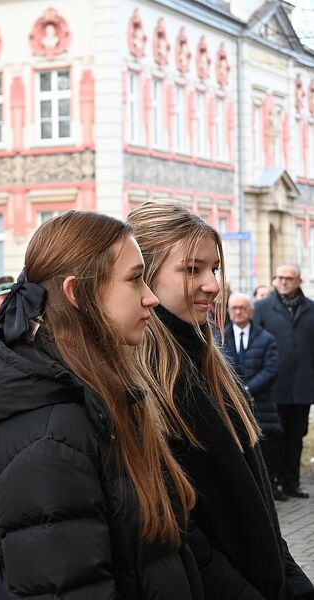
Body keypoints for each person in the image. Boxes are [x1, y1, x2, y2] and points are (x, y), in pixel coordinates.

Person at [0, 211, 202, 599]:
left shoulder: (95, 399)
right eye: (135, 279)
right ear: (76, 293)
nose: (151, 298)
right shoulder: (49, 439)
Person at [128, 200, 313, 600]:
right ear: (143, 277)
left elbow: (260, 514)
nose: (213, 284)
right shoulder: (139, 387)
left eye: (213, 269)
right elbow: (184, 540)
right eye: (192, 269)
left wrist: (292, 583)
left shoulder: (208, 365)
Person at [253, 264, 314, 500]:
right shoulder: (262, 308)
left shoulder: (310, 309)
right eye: (280, 278)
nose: (284, 282)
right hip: (272, 388)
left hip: (302, 385)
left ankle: (292, 483)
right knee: (273, 437)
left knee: (296, 437)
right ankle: (273, 482)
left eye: (289, 278)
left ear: (299, 281)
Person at [221, 293, 284, 500]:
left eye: (242, 308)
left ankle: (267, 488)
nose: (238, 312)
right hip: (230, 405)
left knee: (263, 447)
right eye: (234, 308)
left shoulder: (266, 338)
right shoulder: (219, 338)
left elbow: (270, 370)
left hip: (260, 404)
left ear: (251, 311)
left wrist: (247, 390)